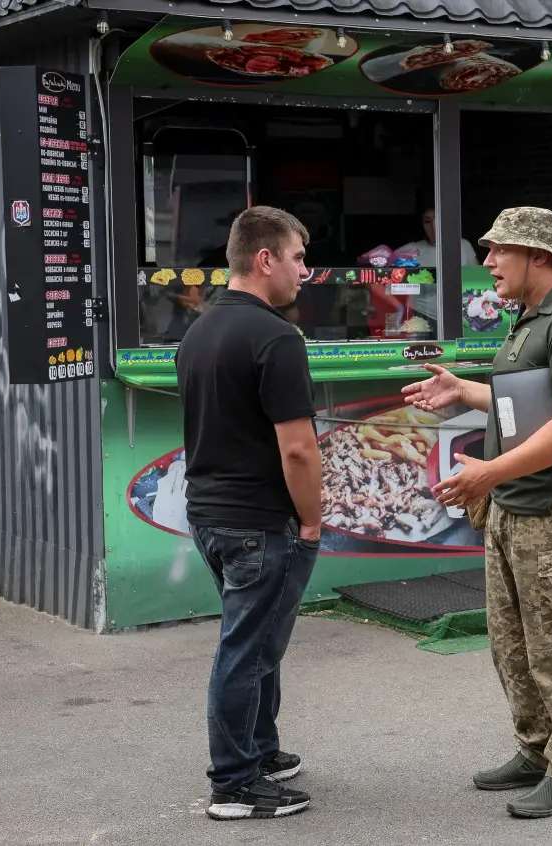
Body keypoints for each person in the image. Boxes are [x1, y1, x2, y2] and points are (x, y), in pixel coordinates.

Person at [402, 207, 552, 819]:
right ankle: (537, 750)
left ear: (537, 255)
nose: (487, 262)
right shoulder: (530, 317)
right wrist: (463, 391)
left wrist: (487, 473)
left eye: (499, 251)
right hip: (513, 510)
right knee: (513, 645)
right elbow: (526, 402)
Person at [175, 206, 322, 821]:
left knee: (257, 642)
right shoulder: (277, 337)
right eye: (297, 258)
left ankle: (260, 753)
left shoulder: (199, 330)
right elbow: (297, 447)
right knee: (246, 649)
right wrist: (311, 520)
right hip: (259, 521)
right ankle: (233, 785)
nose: (304, 272)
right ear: (265, 260)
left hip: (209, 515)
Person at [397, 204, 479, 269]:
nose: (433, 227)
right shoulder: (407, 251)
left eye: (438, 219)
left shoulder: (463, 245)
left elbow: (479, 280)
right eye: (427, 221)